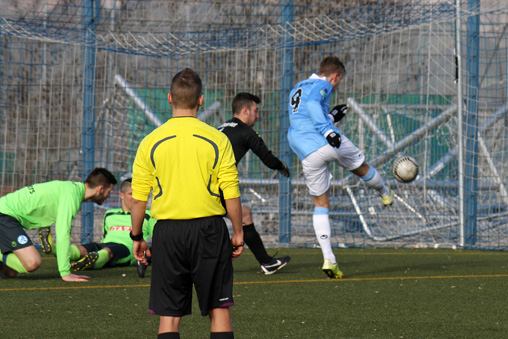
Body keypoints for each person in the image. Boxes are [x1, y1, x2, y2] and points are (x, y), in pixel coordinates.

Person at [130, 68, 244, 339]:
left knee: (169, 318)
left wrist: (137, 235)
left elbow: (138, 199)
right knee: (219, 311)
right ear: (201, 100)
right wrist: (238, 233)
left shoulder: (150, 142)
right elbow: (231, 192)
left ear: (170, 98)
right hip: (209, 231)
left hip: (168, 233)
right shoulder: (217, 139)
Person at [287, 56, 393, 279]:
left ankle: (329, 259)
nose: (336, 85)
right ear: (335, 76)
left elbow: (306, 114)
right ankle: (384, 192)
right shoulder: (323, 84)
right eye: (339, 81)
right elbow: (313, 105)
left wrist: (332, 117)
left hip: (305, 149)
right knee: (360, 167)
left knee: (320, 203)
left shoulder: (298, 87)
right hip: (325, 140)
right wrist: (329, 130)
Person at [0, 168, 117, 282]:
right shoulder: (71, 194)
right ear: (100, 189)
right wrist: (65, 272)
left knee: (11, 272)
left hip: (7, 215)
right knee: (32, 263)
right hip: (4, 215)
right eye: (109, 191)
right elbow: (62, 233)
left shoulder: (72, 190)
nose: (109, 196)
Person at [218, 92, 291, 275]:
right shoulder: (245, 132)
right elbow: (267, 158)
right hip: (214, 188)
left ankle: (266, 262)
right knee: (204, 231)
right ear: (245, 110)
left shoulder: (220, 128)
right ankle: (150, 256)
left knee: (245, 215)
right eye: (255, 111)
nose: (258, 116)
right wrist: (281, 165)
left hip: (203, 185)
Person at [39, 178, 156, 274]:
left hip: (127, 248)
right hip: (104, 243)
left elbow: (156, 241)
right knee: (82, 248)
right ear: (121, 195)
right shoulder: (109, 214)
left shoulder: (147, 215)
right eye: (131, 194)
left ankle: (89, 261)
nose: (134, 198)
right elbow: (105, 236)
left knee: (107, 252)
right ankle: (53, 249)